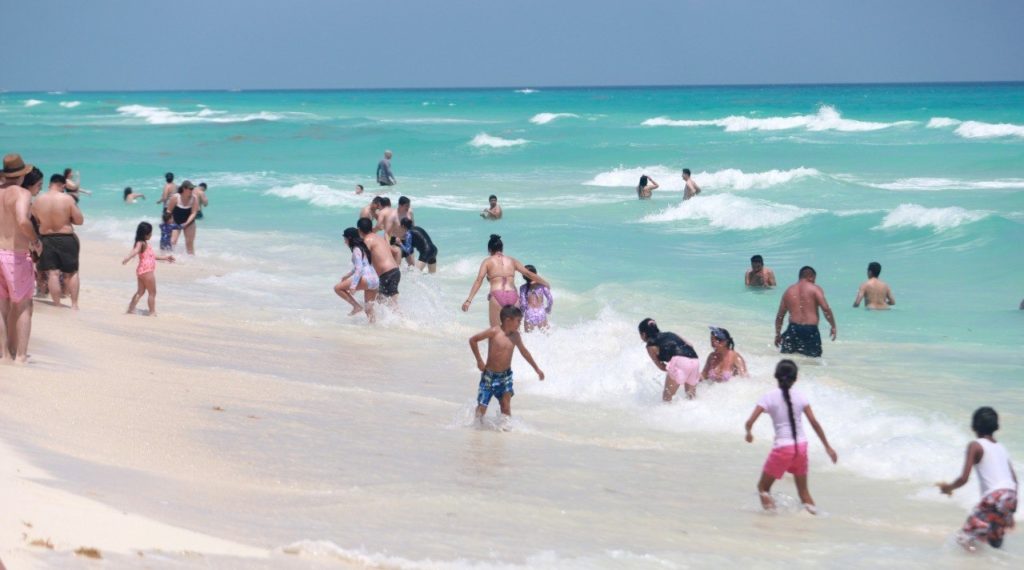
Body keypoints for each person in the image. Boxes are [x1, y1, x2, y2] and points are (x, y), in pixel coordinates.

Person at [744, 359, 838, 514]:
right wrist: (827, 447)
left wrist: (749, 433)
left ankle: (771, 521)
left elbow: (749, 421)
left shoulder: (768, 397)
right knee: (804, 493)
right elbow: (814, 422)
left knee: (763, 488)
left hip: (783, 447)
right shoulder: (801, 396)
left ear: (776, 376)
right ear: (796, 378)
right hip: (800, 446)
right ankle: (817, 520)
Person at [937, 407, 1018, 551]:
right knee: (992, 541)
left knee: (964, 538)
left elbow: (964, 478)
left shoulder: (975, 445)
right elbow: (1015, 481)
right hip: (1010, 496)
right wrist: (1010, 513)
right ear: (996, 426)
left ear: (974, 426)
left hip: (995, 495)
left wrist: (949, 488)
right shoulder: (1002, 448)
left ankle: (975, 564)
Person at [468, 305, 545, 426]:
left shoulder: (515, 336)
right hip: (489, 376)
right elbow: (473, 340)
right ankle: (476, 430)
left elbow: (524, 352)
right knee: (482, 406)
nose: (519, 324)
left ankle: (505, 430)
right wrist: (479, 360)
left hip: (505, 377)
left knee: (505, 405)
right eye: (518, 321)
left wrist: (537, 369)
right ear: (508, 320)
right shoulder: (494, 332)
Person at [0, 154, 42, 363]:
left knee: (1, 306)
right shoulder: (22, 193)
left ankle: (5, 354)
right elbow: (22, 220)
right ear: (21, 175)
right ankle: (21, 356)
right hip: (15, 255)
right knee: (23, 305)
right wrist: (35, 241)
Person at [462, 234, 547, 327]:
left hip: (497, 295)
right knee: (514, 334)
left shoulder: (487, 261)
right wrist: (545, 283)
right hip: (513, 296)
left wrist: (468, 300)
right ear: (502, 248)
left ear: (489, 250)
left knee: (496, 333)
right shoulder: (512, 260)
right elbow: (528, 274)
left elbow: (479, 280)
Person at [33, 173, 84, 309]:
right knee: (72, 272)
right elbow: (80, 220)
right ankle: (74, 305)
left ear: (50, 184)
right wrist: (69, 219)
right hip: (66, 238)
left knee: (53, 273)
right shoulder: (67, 199)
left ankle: (57, 304)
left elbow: (35, 221)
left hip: (46, 238)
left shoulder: (38, 199)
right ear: (63, 186)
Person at [774, 266, 837, 358]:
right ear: (811, 276)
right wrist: (833, 326)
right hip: (810, 330)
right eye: (814, 279)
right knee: (813, 362)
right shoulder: (815, 289)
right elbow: (826, 309)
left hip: (792, 329)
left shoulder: (788, 291)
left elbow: (780, 316)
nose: (814, 282)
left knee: (788, 360)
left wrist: (778, 334)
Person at [638, 318, 700, 401]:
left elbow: (661, 367)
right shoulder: (670, 334)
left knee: (667, 398)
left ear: (643, 334)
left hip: (679, 362)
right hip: (695, 361)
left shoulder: (650, 346)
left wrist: (675, 371)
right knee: (691, 398)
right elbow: (690, 345)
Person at [122, 221, 175, 316]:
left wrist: (165, 258)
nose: (151, 234)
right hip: (147, 271)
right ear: (145, 235)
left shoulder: (144, 243)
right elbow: (135, 251)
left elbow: (152, 256)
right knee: (152, 292)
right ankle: (152, 312)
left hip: (141, 271)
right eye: (150, 233)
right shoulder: (141, 243)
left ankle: (131, 308)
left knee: (140, 291)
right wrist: (128, 258)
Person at [334, 227, 379, 322]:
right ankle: (373, 328)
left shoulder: (356, 250)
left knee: (337, 288)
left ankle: (356, 306)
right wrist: (348, 275)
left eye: (345, 239)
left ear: (349, 238)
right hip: (375, 279)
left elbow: (359, 268)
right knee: (369, 309)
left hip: (366, 278)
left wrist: (353, 286)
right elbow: (363, 265)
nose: (344, 241)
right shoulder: (363, 248)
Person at [357, 217, 401, 303]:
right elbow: (396, 252)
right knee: (382, 301)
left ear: (359, 230)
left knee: (390, 305)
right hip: (395, 272)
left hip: (386, 274)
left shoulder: (367, 240)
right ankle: (395, 316)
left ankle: (402, 317)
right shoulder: (379, 238)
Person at [164, 180, 200, 255]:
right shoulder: (176, 197)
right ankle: (169, 257)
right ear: (184, 189)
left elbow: (194, 213)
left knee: (189, 243)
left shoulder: (194, 198)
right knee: (173, 241)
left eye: (192, 189)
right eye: (190, 189)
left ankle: (192, 260)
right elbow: (169, 211)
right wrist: (167, 223)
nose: (192, 190)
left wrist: (186, 223)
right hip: (176, 221)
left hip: (189, 222)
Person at [519, 264, 552, 332]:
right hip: (541, 312)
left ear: (523, 276)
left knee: (529, 336)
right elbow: (550, 299)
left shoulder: (523, 288)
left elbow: (523, 303)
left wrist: (522, 313)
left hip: (529, 313)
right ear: (535, 274)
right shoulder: (542, 286)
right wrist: (548, 309)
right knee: (546, 336)